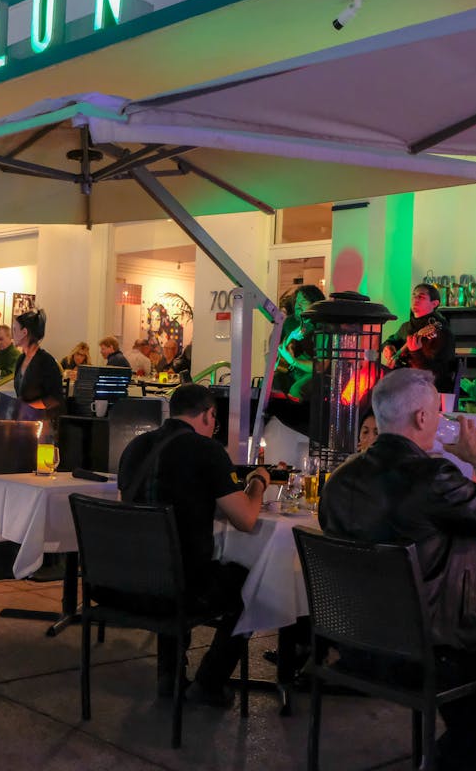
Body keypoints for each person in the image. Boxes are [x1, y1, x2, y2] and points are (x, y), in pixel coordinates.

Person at [319, 369, 476, 771]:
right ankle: (452, 757)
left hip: (355, 644)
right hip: (422, 655)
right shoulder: (434, 477)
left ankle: (463, 744)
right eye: (437, 412)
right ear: (422, 418)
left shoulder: (339, 480)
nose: (440, 420)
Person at [116, 384, 271, 705]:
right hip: (177, 592)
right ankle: (210, 681)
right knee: (253, 584)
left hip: (124, 586)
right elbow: (245, 519)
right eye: (215, 419)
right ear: (209, 414)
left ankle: (168, 674)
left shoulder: (135, 448)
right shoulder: (207, 451)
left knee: (166, 561)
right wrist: (258, 483)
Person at [381, 283, 455, 391]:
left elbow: (437, 373)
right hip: (404, 383)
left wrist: (416, 352)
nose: (415, 299)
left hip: (428, 389)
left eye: (421, 296)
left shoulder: (442, 332)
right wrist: (387, 347)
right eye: (414, 295)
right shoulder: (406, 327)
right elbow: (389, 341)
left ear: (434, 303)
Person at [13, 310, 65, 427]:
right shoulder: (21, 359)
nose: (13, 334)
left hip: (43, 424)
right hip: (25, 422)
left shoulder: (46, 361)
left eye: (15, 329)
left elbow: (55, 399)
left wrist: (27, 406)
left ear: (24, 332)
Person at [273, 284, 326, 398]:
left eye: (303, 301)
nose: (298, 305)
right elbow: (281, 353)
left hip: (311, 373)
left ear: (315, 303)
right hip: (292, 371)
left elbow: (320, 367)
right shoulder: (289, 323)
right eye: (297, 301)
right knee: (271, 385)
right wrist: (291, 337)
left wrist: (294, 362)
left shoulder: (322, 327)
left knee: (296, 390)